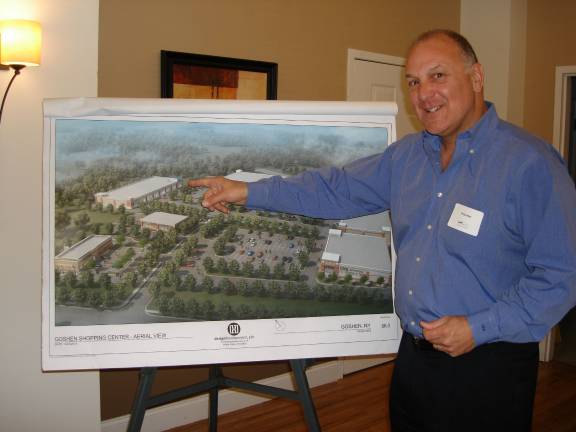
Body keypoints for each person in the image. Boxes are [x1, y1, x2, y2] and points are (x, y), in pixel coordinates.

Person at [189, 29, 576, 431]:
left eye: (438, 76)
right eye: (414, 81)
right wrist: (247, 191)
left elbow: (563, 274)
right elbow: (333, 188)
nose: (424, 94)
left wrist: (478, 329)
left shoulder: (529, 164)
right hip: (413, 360)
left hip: (489, 363)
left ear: (476, 78)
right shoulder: (407, 157)